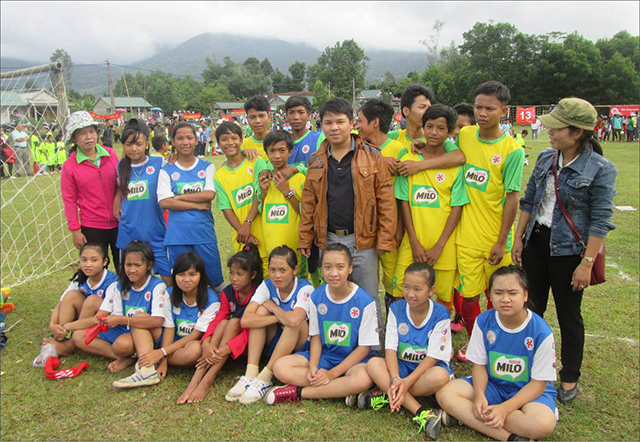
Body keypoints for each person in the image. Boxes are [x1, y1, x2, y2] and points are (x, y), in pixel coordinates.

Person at [512, 97, 617, 403]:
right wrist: (519, 238)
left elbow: (601, 220)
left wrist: (586, 263)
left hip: (570, 251)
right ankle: (528, 367)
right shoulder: (546, 157)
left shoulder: (600, 168)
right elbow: (529, 200)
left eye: (557, 128)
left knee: (569, 315)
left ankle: (569, 376)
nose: (550, 132)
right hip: (536, 243)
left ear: (578, 133)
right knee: (531, 309)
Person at [298, 97, 397, 330]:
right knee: (334, 294)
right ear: (321, 125)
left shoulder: (373, 156)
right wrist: (305, 237)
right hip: (329, 238)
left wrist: (385, 238)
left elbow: (386, 201)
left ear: (351, 123)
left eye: (340, 121)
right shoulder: (316, 161)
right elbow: (309, 202)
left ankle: (373, 345)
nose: (334, 127)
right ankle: (340, 341)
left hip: (363, 239)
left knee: (368, 295)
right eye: (328, 122)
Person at [436, 266, 558, 441]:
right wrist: (479, 396)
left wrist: (505, 409)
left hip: (528, 392)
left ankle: (468, 416)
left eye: (512, 293)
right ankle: (509, 437)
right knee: (445, 394)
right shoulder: (483, 321)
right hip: (493, 386)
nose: (505, 299)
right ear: (490, 296)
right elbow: (479, 366)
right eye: (498, 293)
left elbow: (538, 384)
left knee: (542, 424)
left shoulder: (540, 331)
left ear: (525, 295)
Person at [455, 81, 525, 363]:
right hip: (466, 238)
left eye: (490, 108)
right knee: (469, 297)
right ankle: (476, 343)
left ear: (504, 111)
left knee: (499, 296)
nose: (482, 113)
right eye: (478, 107)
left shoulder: (512, 150)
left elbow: (512, 197)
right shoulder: (465, 136)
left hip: (496, 240)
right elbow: (448, 154)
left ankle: (500, 343)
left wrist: (501, 240)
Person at [265, 244, 379, 405]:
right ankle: (341, 389)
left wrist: (332, 374)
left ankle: (299, 392)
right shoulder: (317, 296)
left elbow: (364, 348)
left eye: (340, 267)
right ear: (321, 269)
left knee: (363, 379)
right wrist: (313, 366)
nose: (333, 273)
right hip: (325, 357)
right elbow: (316, 336)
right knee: (280, 367)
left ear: (350, 268)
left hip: (354, 362)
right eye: (327, 267)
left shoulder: (365, 301)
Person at [350, 263, 453, 440]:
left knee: (439, 376)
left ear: (431, 290)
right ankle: (420, 411)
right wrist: (395, 379)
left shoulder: (441, 313)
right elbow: (390, 348)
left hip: (427, 370)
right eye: (406, 287)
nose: (410, 294)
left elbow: (433, 357)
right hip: (402, 367)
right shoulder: (396, 309)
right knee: (374, 364)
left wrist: (406, 383)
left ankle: (387, 393)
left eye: (417, 289)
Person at [393, 105, 468, 316]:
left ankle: (439, 333)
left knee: (444, 296)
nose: (434, 132)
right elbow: (404, 203)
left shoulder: (455, 167)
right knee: (401, 292)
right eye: (429, 126)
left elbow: (457, 207)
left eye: (441, 128)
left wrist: (440, 245)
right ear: (423, 127)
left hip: (443, 245)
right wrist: (413, 241)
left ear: (450, 131)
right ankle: (404, 331)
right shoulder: (408, 161)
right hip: (412, 243)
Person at [177, 244, 263, 404]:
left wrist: (223, 350)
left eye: (239, 274)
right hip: (228, 344)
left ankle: (208, 379)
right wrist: (206, 342)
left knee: (234, 322)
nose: (234, 278)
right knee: (224, 323)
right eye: (231, 273)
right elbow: (218, 319)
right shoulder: (228, 292)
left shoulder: (259, 294)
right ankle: (197, 377)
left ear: (253, 275)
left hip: (249, 345)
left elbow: (250, 332)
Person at [226, 246, 313, 404]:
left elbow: (294, 320)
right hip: (276, 338)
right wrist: (278, 318)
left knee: (295, 322)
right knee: (260, 311)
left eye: (282, 270)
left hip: (299, 345)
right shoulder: (267, 285)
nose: (277, 275)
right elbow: (246, 320)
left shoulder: (305, 288)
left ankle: (265, 377)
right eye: (272, 270)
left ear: (294, 270)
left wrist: (274, 308)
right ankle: (251, 372)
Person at [71, 241, 169, 378]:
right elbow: (105, 316)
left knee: (122, 344)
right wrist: (66, 327)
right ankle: (127, 357)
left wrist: (121, 319)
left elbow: (157, 321)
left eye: (137, 265)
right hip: (122, 329)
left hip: (142, 333)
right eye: (128, 265)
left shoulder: (157, 286)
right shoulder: (119, 285)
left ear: (149, 265)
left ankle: (140, 361)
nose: (132, 270)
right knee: (78, 336)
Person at [136, 251, 221, 391]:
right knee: (140, 318)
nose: (186, 279)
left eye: (192, 274)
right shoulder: (169, 293)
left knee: (195, 350)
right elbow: (169, 328)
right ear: (174, 275)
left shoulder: (211, 300)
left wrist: (161, 353)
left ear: (201, 275)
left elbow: (195, 335)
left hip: (187, 345)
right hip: (168, 341)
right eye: (181, 274)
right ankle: (148, 366)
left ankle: (148, 358)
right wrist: (163, 359)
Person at [157, 121, 225, 291]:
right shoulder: (166, 169)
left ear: (196, 140)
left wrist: (178, 197)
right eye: (180, 138)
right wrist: (197, 206)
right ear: (173, 141)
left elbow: (208, 194)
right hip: (177, 237)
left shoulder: (207, 166)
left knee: (215, 282)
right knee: (182, 285)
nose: (185, 142)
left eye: (189, 138)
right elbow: (165, 202)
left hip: (203, 234)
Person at [356, 98, 405, 312]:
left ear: (375, 122)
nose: (357, 125)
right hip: (364, 228)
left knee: (393, 279)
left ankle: (394, 321)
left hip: (389, 227)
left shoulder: (399, 150)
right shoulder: (357, 148)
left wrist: (399, 228)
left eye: (360, 120)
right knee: (366, 280)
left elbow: (403, 195)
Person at [113, 118, 171, 286]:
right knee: (131, 281)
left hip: (155, 232)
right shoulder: (120, 166)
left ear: (146, 144)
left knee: (169, 279)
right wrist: (116, 201)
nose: (133, 148)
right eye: (129, 144)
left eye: (138, 144)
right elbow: (119, 187)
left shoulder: (160, 162)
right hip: (129, 231)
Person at [35, 243, 118, 359]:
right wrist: (53, 325)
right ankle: (62, 337)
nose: (88, 264)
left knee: (92, 301)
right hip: (83, 321)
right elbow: (60, 303)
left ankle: (69, 344)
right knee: (71, 296)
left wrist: (67, 326)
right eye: (84, 260)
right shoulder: (80, 277)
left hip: (104, 323)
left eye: (94, 260)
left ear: (104, 262)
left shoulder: (113, 283)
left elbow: (99, 318)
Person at [61, 111, 120, 271]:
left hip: (119, 222)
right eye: (82, 133)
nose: (88, 137)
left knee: (125, 268)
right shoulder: (70, 166)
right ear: (74, 138)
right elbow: (69, 200)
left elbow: (122, 183)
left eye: (91, 131)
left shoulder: (111, 155)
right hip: (92, 226)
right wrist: (75, 230)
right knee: (96, 270)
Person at [255, 130, 306, 277]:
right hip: (271, 245)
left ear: (290, 151)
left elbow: (305, 212)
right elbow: (262, 209)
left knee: (296, 280)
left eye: (281, 150)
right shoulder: (264, 180)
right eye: (272, 151)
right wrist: (263, 193)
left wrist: (287, 192)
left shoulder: (299, 179)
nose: (277, 156)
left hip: (295, 247)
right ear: (266, 153)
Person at [388, 84, 465, 178]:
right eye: (422, 107)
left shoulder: (435, 140)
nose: (427, 112)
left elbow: (459, 157)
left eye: (429, 108)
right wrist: (383, 160)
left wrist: (418, 165)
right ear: (406, 111)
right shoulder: (392, 137)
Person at [284, 95, 325, 168]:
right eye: (291, 112)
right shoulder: (281, 143)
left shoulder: (320, 138)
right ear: (286, 116)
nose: (296, 117)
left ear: (309, 115)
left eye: (301, 112)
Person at [241, 95, 271, 161]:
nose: (257, 121)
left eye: (261, 116)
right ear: (247, 119)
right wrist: (240, 155)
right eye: (252, 117)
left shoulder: (280, 142)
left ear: (269, 117)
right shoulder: (241, 145)